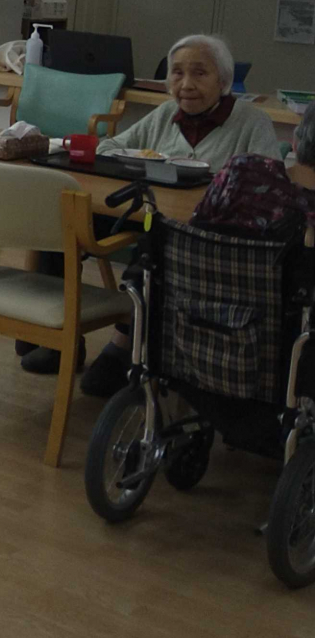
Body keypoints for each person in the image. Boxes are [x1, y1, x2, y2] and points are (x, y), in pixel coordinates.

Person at [75, 33, 280, 397]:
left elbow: (269, 184)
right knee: (68, 223)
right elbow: (109, 147)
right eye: (177, 73)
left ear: (223, 80)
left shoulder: (252, 121)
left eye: (199, 73)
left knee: (154, 246)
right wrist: (146, 161)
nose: (186, 84)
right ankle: (59, 339)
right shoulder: (165, 115)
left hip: (210, 236)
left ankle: (122, 345)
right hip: (154, 213)